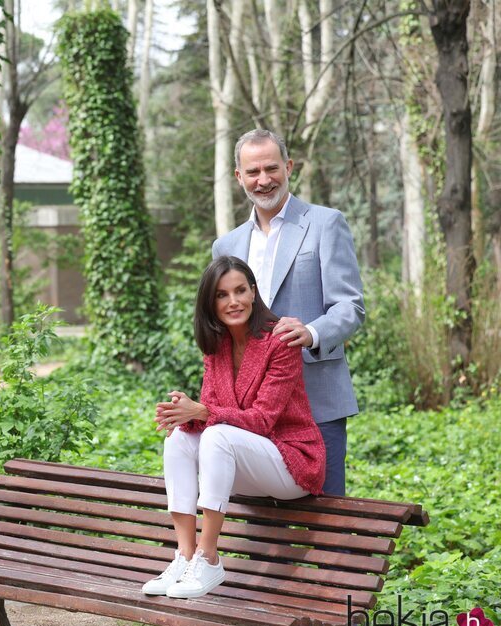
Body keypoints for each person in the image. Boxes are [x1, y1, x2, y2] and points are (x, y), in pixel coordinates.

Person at [142, 256, 325, 600]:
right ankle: (184, 555)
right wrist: (186, 414)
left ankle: (208, 557)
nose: (233, 301)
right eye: (222, 295)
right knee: (179, 440)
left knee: (215, 433)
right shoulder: (218, 346)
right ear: (211, 303)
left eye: (241, 291)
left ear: (254, 293)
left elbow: (262, 419)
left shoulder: (279, 341)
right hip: (243, 461)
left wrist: (202, 411)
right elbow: (216, 410)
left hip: (291, 462)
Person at [213, 129, 365, 497]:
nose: (263, 180)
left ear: (288, 167)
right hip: (251, 406)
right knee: (261, 523)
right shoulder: (226, 245)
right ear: (239, 177)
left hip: (316, 397)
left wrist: (312, 333)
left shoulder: (325, 223)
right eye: (253, 172)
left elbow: (350, 306)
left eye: (271, 168)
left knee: (328, 518)